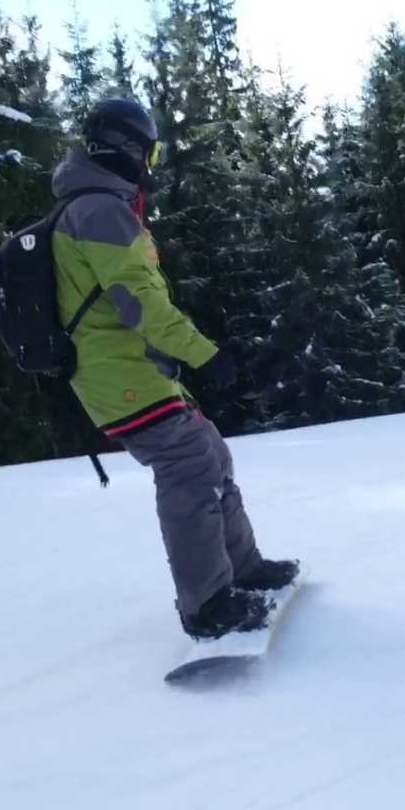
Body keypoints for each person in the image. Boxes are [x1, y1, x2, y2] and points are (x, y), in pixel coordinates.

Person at [50, 95, 298, 639]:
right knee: (187, 465)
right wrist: (205, 353)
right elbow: (139, 302)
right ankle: (206, 606)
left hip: (138, 371)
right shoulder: (99, 210)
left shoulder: (102, 205)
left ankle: (244, 568)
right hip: (118, 377)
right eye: (152, 153)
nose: (152, 166)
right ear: (130, 148)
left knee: (210, 452)